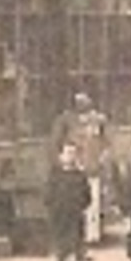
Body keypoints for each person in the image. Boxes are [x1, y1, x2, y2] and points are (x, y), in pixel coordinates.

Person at [50, 93, 110, 245]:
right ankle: (75, 237)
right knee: (75, 204)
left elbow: (106, 142)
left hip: (92, 167)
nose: (82, 105)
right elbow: (56, 141)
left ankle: (92, 236)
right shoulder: (66, 120)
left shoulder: (99, 120)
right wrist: (63, 160)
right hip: (74, 168)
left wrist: (102, 159)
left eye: (85, 102)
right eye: (79, 103)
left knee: (93, 202)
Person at [46, 141, 92, 261]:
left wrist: (78, 207)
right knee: (61, 251)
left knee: (80, 251)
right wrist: (55, 210)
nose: (70, 157)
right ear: (61, 156)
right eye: (67, 153)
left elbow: (87, 197)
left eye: (73, 153)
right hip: (60, 217)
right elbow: (48, 197)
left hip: (76, 217)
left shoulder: (80, 176)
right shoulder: (55, 176)